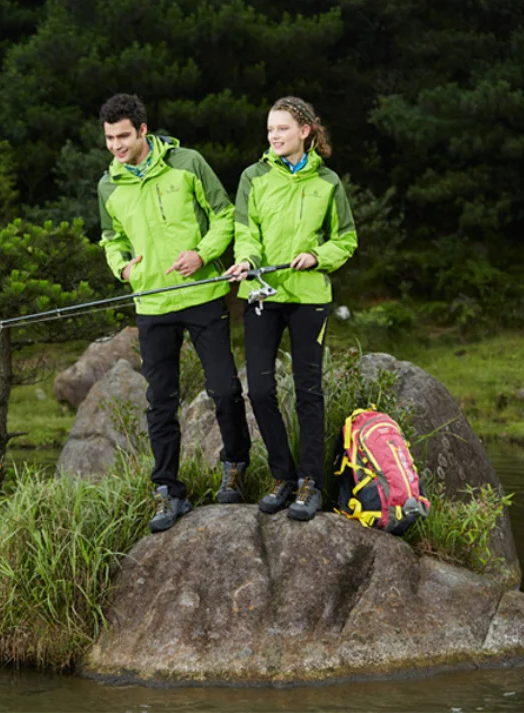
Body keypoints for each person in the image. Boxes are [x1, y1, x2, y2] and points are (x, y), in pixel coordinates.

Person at [97, 93, 252, 533]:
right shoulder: (109, 184)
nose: (116, 146)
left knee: (223, 389)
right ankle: (168, 490)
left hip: (202, 294)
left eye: (123, 136)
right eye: (109, 138)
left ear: (143, 131)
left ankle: (236, 464)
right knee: (159, 402)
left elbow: (225, 216)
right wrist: (122, 266)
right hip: (152, 305)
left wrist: (202, 255)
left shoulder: (188, 163)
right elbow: (111, 239)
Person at [225, 96, 357, 521]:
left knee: (308, 391)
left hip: (308, 299)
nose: (274, 136)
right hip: (263, 295)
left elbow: (346, 239)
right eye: (269, 130)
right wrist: (245, 259)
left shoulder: (328, 183)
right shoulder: (253, 177)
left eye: (282, 129)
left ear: (305, 131)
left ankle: (310, 483)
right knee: (260, 389)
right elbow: (245, 229)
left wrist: (318, 256)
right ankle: (282, 477)